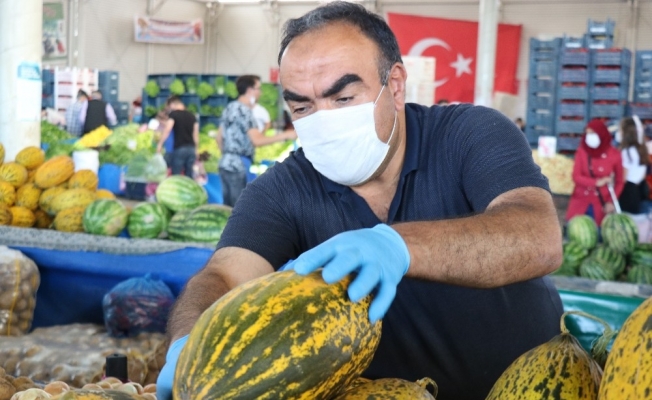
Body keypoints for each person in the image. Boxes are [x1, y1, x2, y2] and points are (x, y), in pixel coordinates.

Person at [156, 3, 563, 400]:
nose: (323, 121)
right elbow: (224, 276)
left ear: (396, 85)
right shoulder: (283, 189)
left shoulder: (468, 135)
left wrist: (398, 246)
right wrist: (190, 342)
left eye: (343, 98)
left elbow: (537, 235)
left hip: (536, 388)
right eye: (302, 106)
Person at [216, 75, 296, 207]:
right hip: (238, 166)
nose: (260, 92)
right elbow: (257, 141)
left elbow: (219, 138)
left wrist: (228, 156)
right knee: (239, 210)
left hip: (225, 164)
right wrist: (286, 135)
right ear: (250, 90)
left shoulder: (230, 107)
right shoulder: (245, 111)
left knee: (227, 209)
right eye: (259, 88)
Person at [566, 119, 624, 225]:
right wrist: (596, 182)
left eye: (592, 133)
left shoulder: (615, 154)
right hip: (580, 201)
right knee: (576, 231)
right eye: (587, 133)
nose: (589, 136)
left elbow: (619, 182)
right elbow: (576, 176)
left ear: (601, 133)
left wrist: (611, 202)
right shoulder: (582, 151)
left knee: (596, 233)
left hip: (601, 204)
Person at [156, 96, 198, 178]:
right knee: (189, 175)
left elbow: (167, 129)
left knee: (176, 176)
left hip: (179, 148)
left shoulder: (174, 114)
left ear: (172, 105)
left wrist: (160, 144)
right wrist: (196, 148)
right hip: (191, 149)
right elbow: (195, 135)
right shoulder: (192, 116)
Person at [617, 115, 650, 214]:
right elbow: (643, 174)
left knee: (626, 217)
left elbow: (623, 177)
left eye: (620, 130)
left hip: (627, 191)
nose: (619, 133)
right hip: (640, 188)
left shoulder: (626, 152)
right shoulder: (641, 149)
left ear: (626, 133)